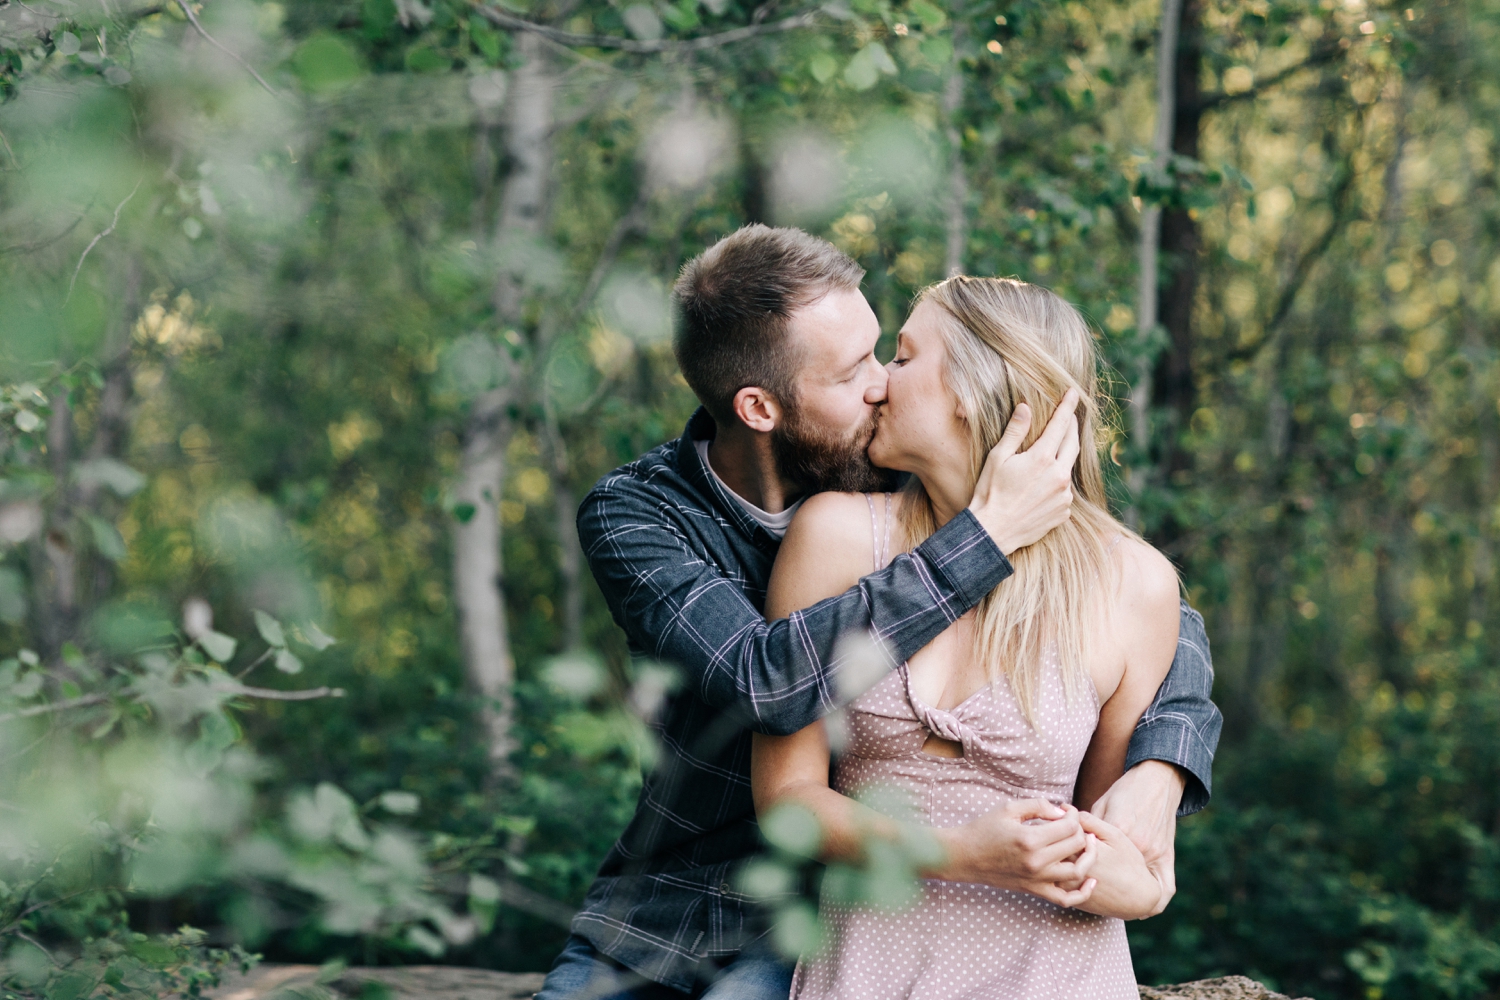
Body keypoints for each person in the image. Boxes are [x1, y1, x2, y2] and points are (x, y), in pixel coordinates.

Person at [535, 226, 1221, 1000]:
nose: (880, 384)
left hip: (852, 917)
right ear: (760, 407)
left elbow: (1138, 604)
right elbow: (765, 680)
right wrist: (985, 537)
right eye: (856, 367)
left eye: (885, 352)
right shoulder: (642, 516)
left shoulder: (908, 476)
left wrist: (1167, 761)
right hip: (685, 904)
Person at [753, 275, 1180, 999]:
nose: (879, 382)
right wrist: (959, 854)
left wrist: (1125, 870)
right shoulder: (836, 535)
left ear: (975, 389)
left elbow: (1130, 857)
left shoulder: (1135, 584)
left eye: (905, 356)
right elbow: (788, 800)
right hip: (865, 975)